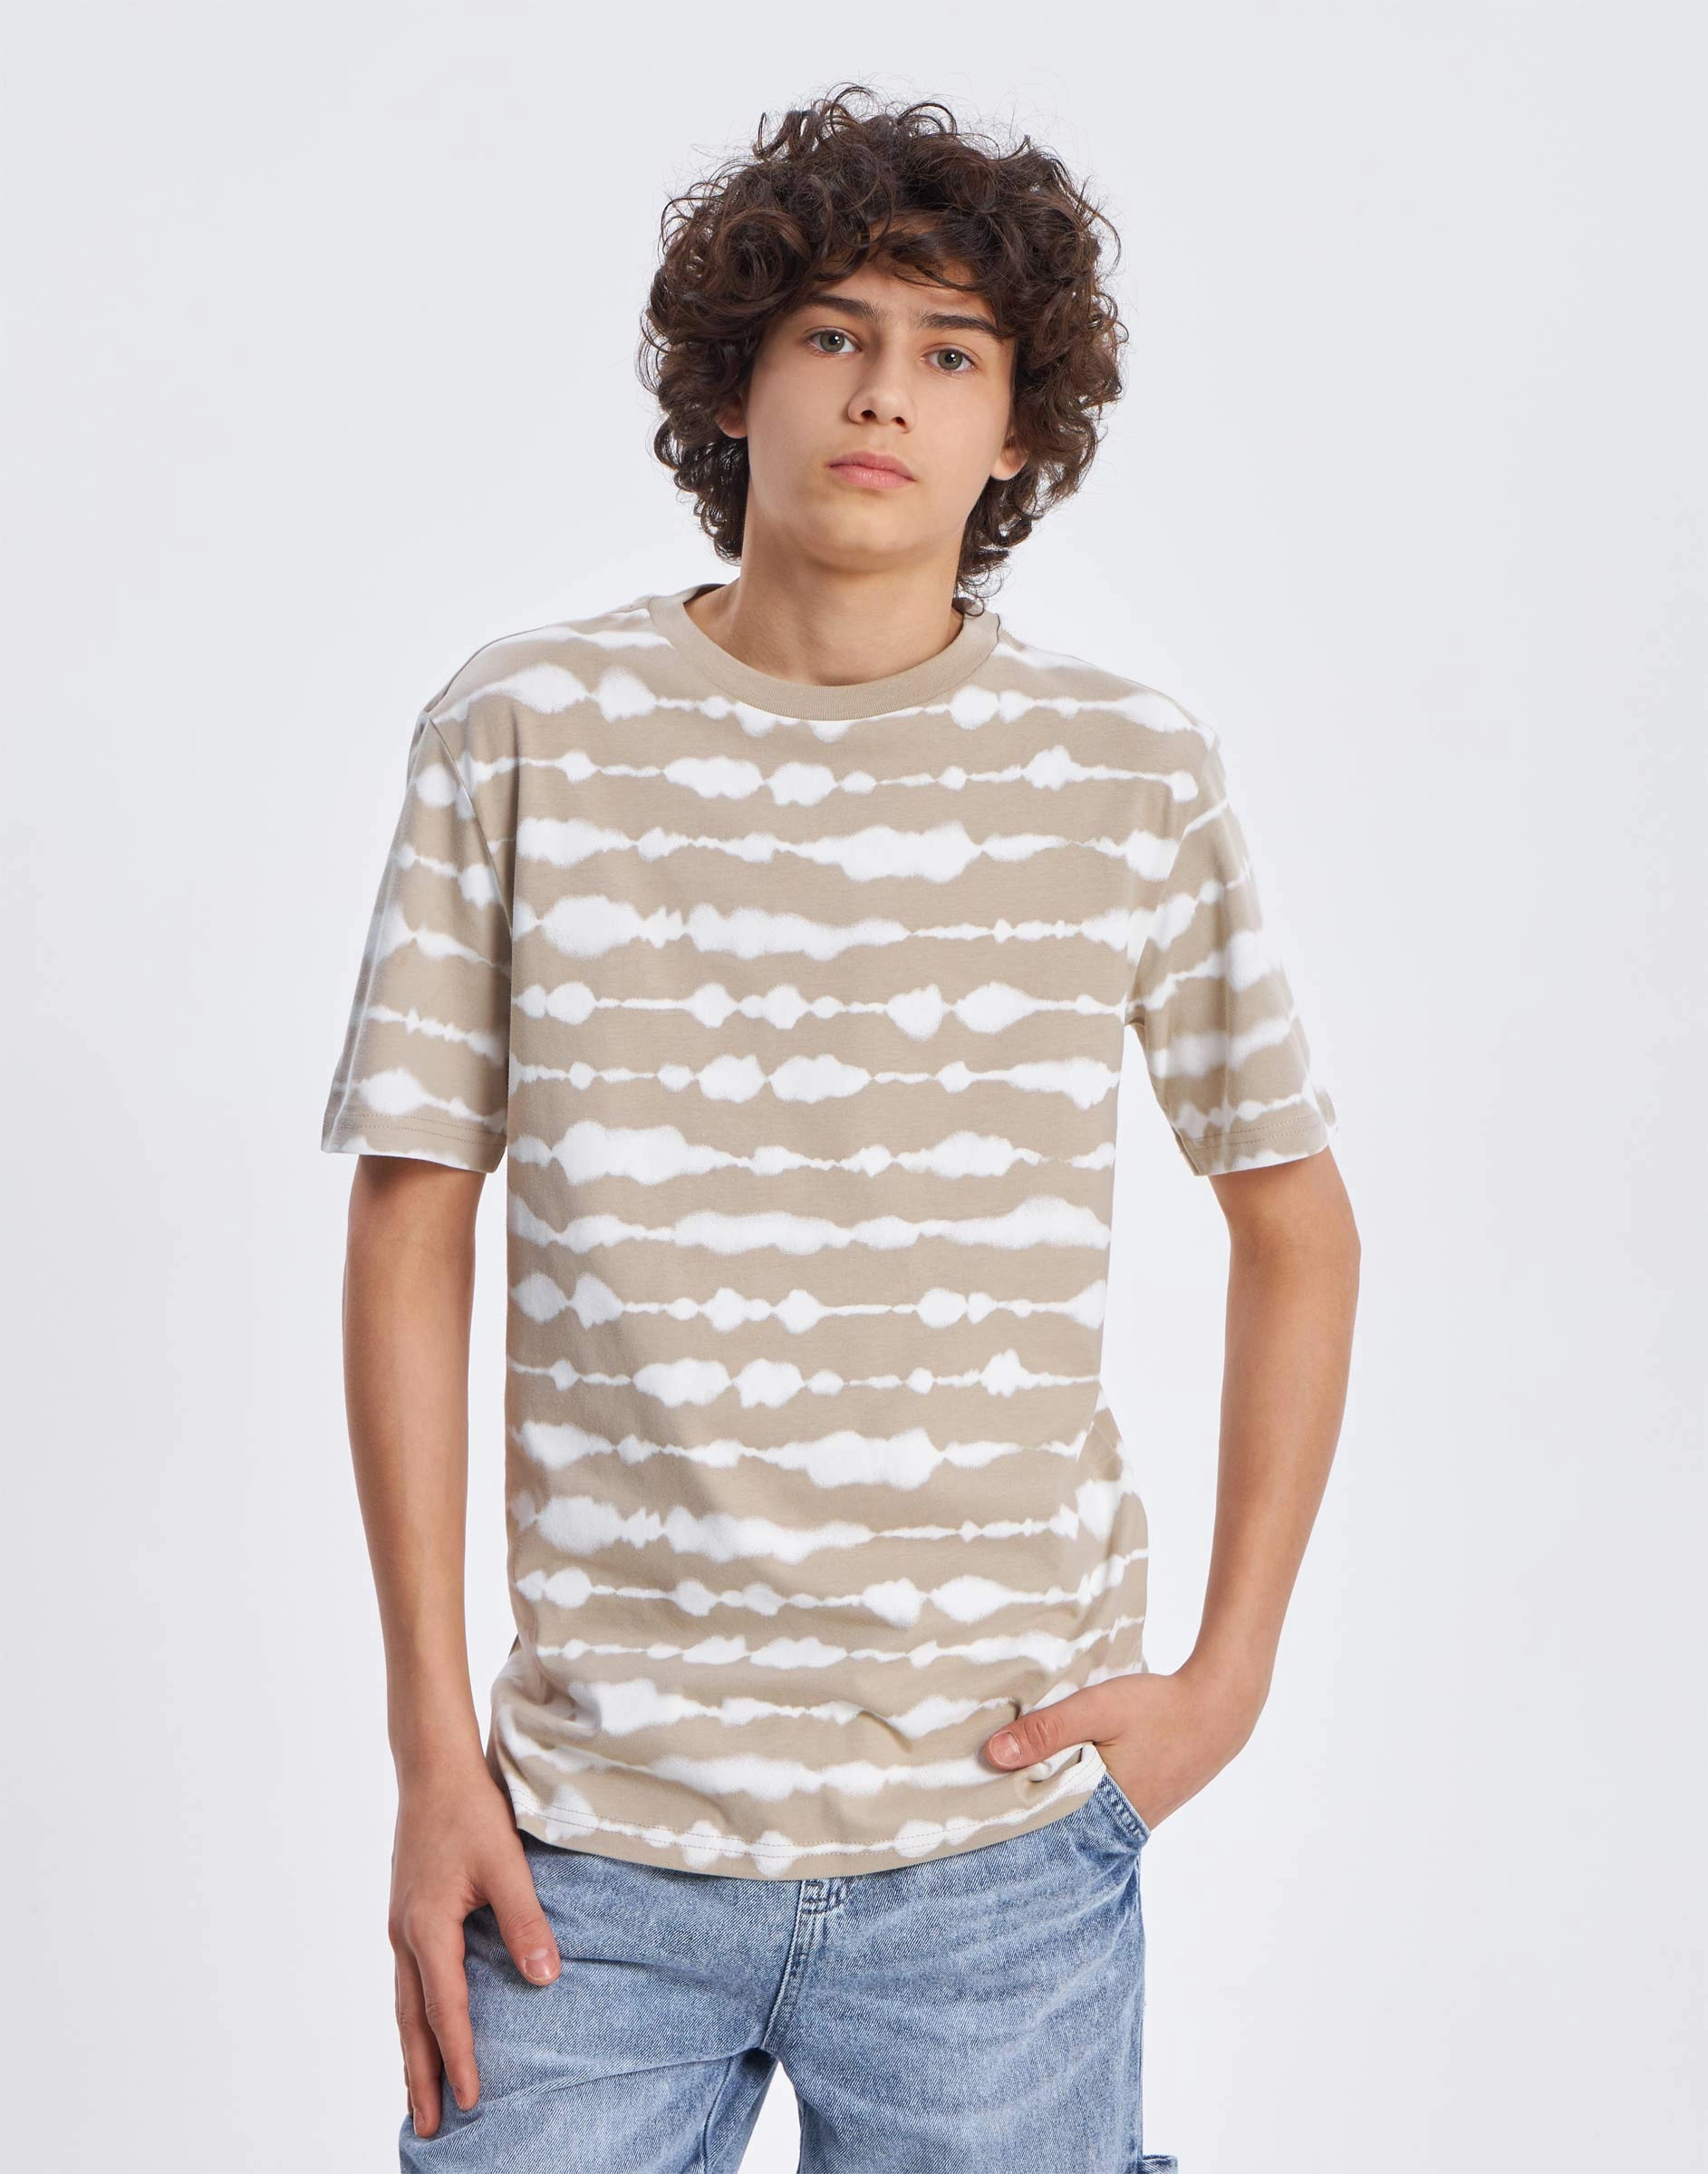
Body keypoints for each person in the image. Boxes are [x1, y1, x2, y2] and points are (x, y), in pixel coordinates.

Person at [320, 82, 1360, 2173]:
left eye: (952, 354)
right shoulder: (522, 733)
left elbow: (1298, 1219)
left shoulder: (1123, 773)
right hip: (587, 1849)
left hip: (995, 1851)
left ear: (1017, 430)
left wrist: (1226, 1676)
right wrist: (435, 1749)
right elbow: (411, 1219)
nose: (885, 391)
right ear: (737, 384)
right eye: (832, 333)